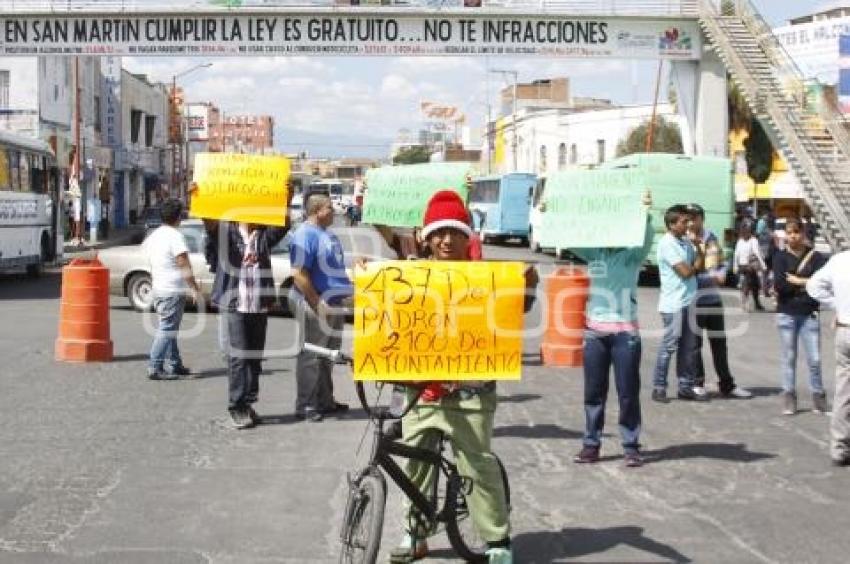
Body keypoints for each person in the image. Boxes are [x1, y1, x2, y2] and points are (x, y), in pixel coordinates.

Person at [390, 189, 535, 564]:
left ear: (466, 235)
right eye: (437, 232)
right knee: (417, 463)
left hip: (471, 392)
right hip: (421, 389)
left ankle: (497, 540)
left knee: (476, 465)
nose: (445, 240)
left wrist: (529, 282)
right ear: (427, 237)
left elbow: (520, 304)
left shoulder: (489, 277)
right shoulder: (409, 275)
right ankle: (415, 533)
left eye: (453, 231)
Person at [570, 190, 654, 468]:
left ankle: (631, 445)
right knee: (593, 392)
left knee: (628, 392)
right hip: (595, 333)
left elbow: (646, 237)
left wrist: (644, 213)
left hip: (625, 334)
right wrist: (548, 213)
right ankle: (591, 444)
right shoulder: (594, 252)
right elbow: (567, 235)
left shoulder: (632, 256)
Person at [203, 188, 292, 429]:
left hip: (259, 305)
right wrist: (201, 198)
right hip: (235, 304)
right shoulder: (226, 231)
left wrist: (286, 198)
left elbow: (283, 226)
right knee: (239, 356)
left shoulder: (263, 235)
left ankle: (249, 401)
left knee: (254, 357)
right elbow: (210, 225)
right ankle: (237, 406)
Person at [290, 193, 352, 422]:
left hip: (333, 303)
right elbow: (299, 274)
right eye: (329, 208)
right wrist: (317, 303)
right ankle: (305, 404)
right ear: (317, 210)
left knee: (329, 355)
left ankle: (325, 400)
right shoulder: (304, 234)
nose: (333, 211)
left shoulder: (327, 234)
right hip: (316, 303)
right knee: (312, 355)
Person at [686, 203, 753, 399]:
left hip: (713, 300)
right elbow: (685, 275)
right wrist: (710, 278)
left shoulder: (711, 237)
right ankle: (697, 383)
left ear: (701, 219)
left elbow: (722, 262)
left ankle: (727, 384)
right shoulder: (684, 242)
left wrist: (721, 273)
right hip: (693, 300)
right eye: (688, 218)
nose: (691, 222)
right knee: (694, 345)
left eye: (694, 217)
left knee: (719, 344)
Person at [773, 217, 828, 416]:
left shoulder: (817, 258)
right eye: (789, 232)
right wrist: (807, 283)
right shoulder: (779, 257)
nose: (793, 236)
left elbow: (822, 284)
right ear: (785, 235)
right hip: (786, 314)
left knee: (814, 359)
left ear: (803, 234)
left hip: (809, 314)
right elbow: (780, 285)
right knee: (789, 357)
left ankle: (818, 397)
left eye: (797, 232)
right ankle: (789, 397)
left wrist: (797, 280)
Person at [652, 204, 707, 402]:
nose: (688, 224)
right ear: (672, 224)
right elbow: (684, 272)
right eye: (684, 221)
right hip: (673, 304)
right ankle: (659, 386)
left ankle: (685, 386)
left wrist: (699, 247)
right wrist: (693, 266)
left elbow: (700, 266)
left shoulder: (685, 242)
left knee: (689, 348)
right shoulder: (667, 243)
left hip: (689, 301)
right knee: (669, 346)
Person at [143, 198, 200, 380]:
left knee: (169, 328)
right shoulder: (175, 236)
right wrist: (193, 287)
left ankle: (175, 364)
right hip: (172, 290)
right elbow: (182, 262)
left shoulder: (155, 235)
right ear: (179, 217)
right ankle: (155, 366)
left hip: (159, 287)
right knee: (167, 329)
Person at [807, 249, 850, 466]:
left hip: (844, 330)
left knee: (844, 390)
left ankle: (839, 447)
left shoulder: (840, 260)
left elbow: (813, 286)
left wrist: (838, 305)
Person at [733, 222, 766, 311]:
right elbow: (736, 254)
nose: (744, 234)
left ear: (749, 232)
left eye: (746, 231)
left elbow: (757, 253)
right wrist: (735, 266)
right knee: (748, 282)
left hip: (751, 265)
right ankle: (745, 303)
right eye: (742, 232)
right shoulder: (739, 241)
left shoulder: (753, 240)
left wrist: (762, 264)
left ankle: (756, 303)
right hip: (743, 266)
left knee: (755, 285)